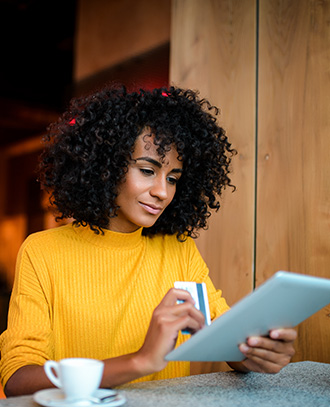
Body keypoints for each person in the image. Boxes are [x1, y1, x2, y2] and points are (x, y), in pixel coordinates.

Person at [0, 85, 296, 397]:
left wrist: (258, 350)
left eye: (172, 178)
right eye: (146, 170)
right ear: (106, 167)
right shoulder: (43, 252)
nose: (163, 192)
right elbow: (18, 379)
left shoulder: (178, 250)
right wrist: (139, 361)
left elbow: (225, 338)